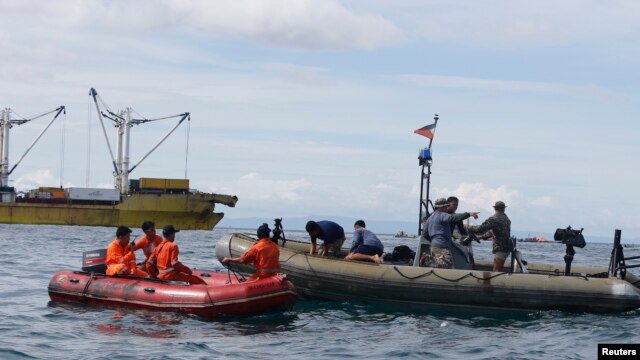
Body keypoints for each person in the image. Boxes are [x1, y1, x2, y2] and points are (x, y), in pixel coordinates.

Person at [427, 198, 479, 269]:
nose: (456, 207)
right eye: (454, 205)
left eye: (457, 205)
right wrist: (469, 214)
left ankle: (428, 259)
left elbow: (462, 230)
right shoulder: (443, 215)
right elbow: (452, 218)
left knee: (444, 264)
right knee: (447, 266)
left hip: (441, 242)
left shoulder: (431, 217)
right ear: (442, 207)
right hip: (442, 243)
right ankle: (427, 260)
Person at [467, 201, 512, 272]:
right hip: (506, 248)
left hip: (500, 248)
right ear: (504, 208)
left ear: (495, 208)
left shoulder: (494, 219)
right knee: (497, 270)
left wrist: (468, 227)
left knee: (496, 271)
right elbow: (493, 232)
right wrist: (482, 237)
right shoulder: (506, 219)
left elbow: (479, 229)